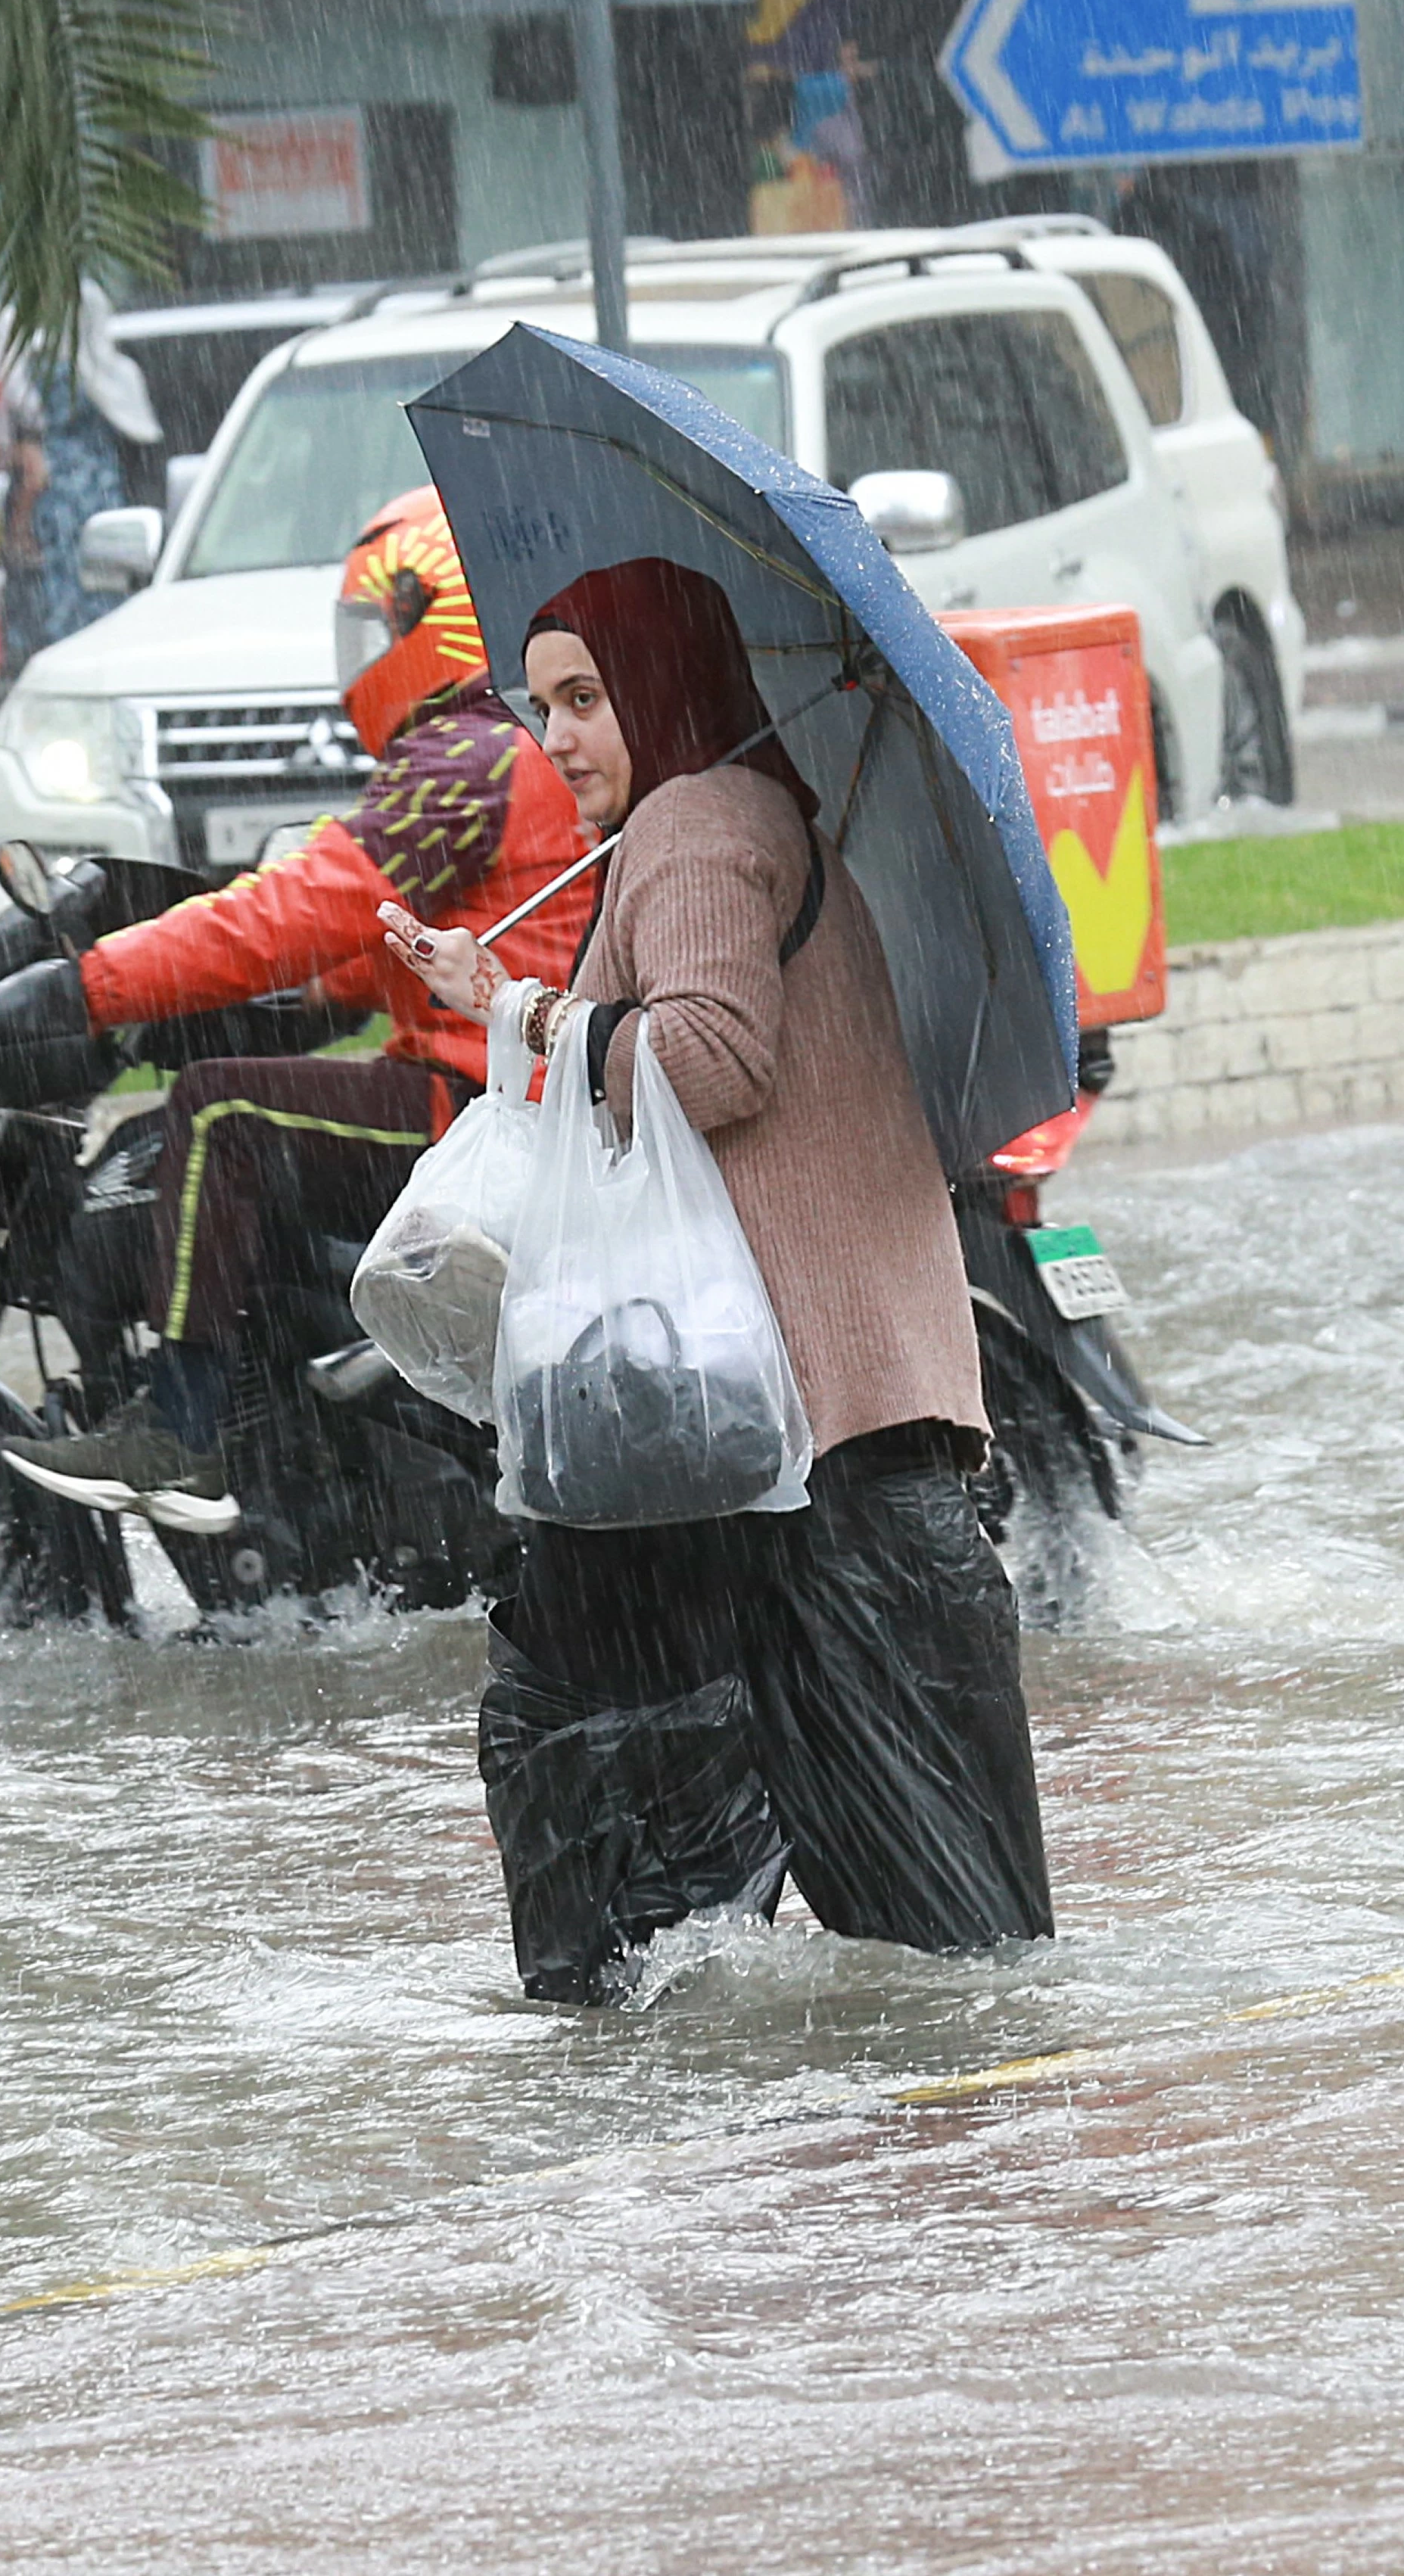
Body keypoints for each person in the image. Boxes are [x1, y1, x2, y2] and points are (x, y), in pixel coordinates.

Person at [380, 557, 1054, 2003]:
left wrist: (542, 1016)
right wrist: (508, 1001)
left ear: (668, 691)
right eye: (542, 703)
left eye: (588, 696)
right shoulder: (745, 820)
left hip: (806, 1449)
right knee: (949, 1953)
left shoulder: (694, 825)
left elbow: (710, 1057)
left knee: (641, 1863)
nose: (556, 736)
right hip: (843, 1446)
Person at [0, 486, 593, 1534]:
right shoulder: (507, 746)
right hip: (507, 1081)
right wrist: (268, 1003)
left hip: (482, 1103)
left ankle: (179, 1437)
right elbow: (380, 955)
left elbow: (299, 911)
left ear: (429, 615)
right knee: (241, 1100)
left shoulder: (466, 760)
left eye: (375, 630)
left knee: (220, 1112)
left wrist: (96, 981)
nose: (359, 656)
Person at [0, 278, 163, 667]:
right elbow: (143, 439)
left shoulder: (43, 371)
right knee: (99, 603)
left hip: (56, 505)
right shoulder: (114, 373)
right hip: (100, 505)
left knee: (62, 611)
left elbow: (26, 443)